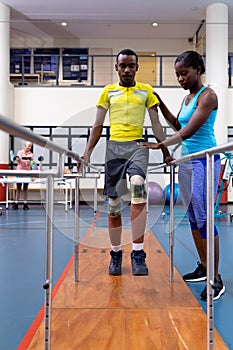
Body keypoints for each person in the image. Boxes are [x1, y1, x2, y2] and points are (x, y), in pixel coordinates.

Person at [139, 50, 225, 300]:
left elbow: (187, 132)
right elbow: (178, 125)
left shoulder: (208, 96)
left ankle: (216, 278)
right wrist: (160, 103)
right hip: (187, 163)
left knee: (205, 218)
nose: (180, 79)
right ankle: (203, 265)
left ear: (198, 69)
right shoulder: (187, 99)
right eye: (177, 75)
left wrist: (161, 145)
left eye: (184, 73)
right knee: (194, 219)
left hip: (205, 161)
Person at [79, 49, 170, 276]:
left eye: (131, 65)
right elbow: (98, 126)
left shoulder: (146, 91)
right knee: (113, 205)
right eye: (123, 66)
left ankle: (138, 252)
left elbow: (157, 124)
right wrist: (87, 152)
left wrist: (166, 150)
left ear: (137, 68)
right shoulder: (108, 92)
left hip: (138, 146)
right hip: (114, 149)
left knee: (138, 187)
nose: (127, 70)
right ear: (116, 68)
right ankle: (116, 253)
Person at [12, 141, 34, 210]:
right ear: (25, 146)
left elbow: (32, 164)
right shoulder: (20, 152)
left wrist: (34, 175)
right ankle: (16, 203)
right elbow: (18, 161)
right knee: (18, 188)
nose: (29, 147)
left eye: (30, 146)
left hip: (27, 172)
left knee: (25, 188)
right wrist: (18, 159)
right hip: (19, 172)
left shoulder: (31, 154)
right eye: (28, 146)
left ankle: (25, 203)